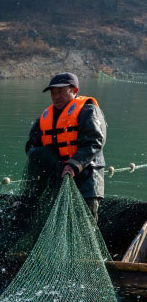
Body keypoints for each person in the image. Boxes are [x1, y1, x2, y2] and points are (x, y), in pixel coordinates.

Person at [25, 72, 106, 222]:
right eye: (53, 93)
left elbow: (94, 142)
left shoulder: (87, 110)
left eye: (61, 91)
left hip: (88, 180)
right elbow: (31, 146)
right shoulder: (45, 116)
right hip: (58, 180)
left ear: (74, 90)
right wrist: (43, 158)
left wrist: (73, 165)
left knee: (85, 224)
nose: (56, 96)